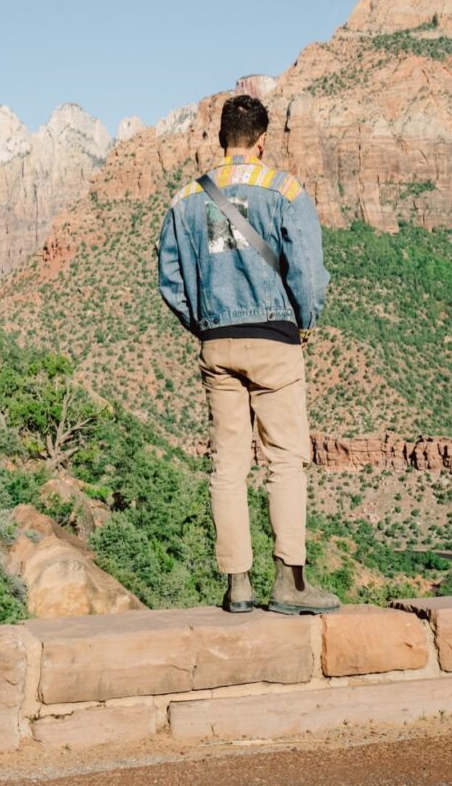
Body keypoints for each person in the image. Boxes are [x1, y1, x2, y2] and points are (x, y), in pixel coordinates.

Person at [157, 93, 339, 615]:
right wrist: (303, 322)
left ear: (221, 140)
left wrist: (204, 325)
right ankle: (290, 583)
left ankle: (238, 583)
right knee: (284, 460)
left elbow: (171, 280)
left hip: (217, 343)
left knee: (229, 465)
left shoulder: (186, 198)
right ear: (262, 141)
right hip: (274, 339)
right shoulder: (284, 189)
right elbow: (307, 271)